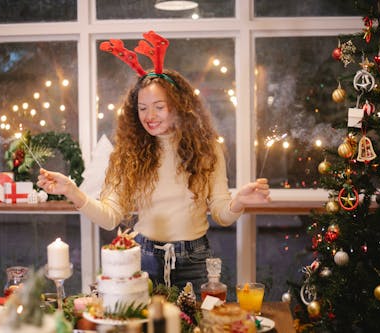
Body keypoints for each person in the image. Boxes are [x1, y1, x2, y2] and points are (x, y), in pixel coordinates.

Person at [37, 31, 271, 294]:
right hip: (143, 258)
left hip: (195, 260)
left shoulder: (208, 149)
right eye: (142, 108)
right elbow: (109, 216)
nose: (149, 115)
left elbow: (221, 212)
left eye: (159, 106)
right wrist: (71, 190)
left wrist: (238, 201)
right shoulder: (128, 153)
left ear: (179, 106)